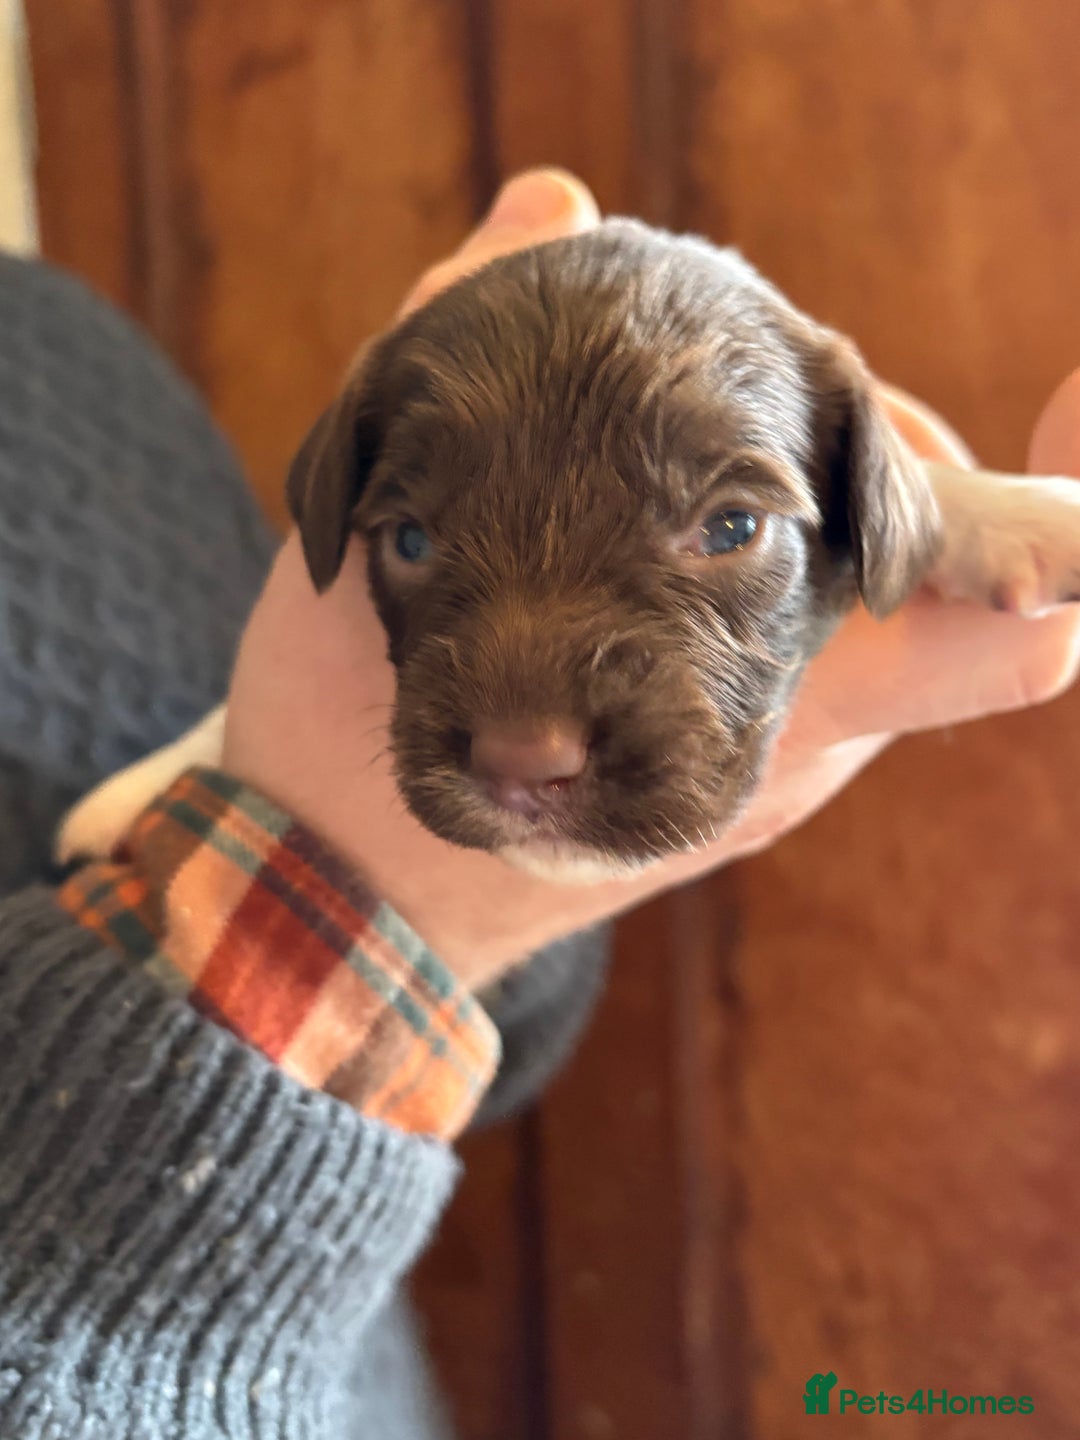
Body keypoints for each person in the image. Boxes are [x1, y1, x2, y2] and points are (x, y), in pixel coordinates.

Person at [0, 167, 1077, 1440]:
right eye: (420, 541)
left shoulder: (65, 354)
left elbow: (523, 1033)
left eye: (725, 527)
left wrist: (942, 520)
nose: (529, 743)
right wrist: (370, 907)